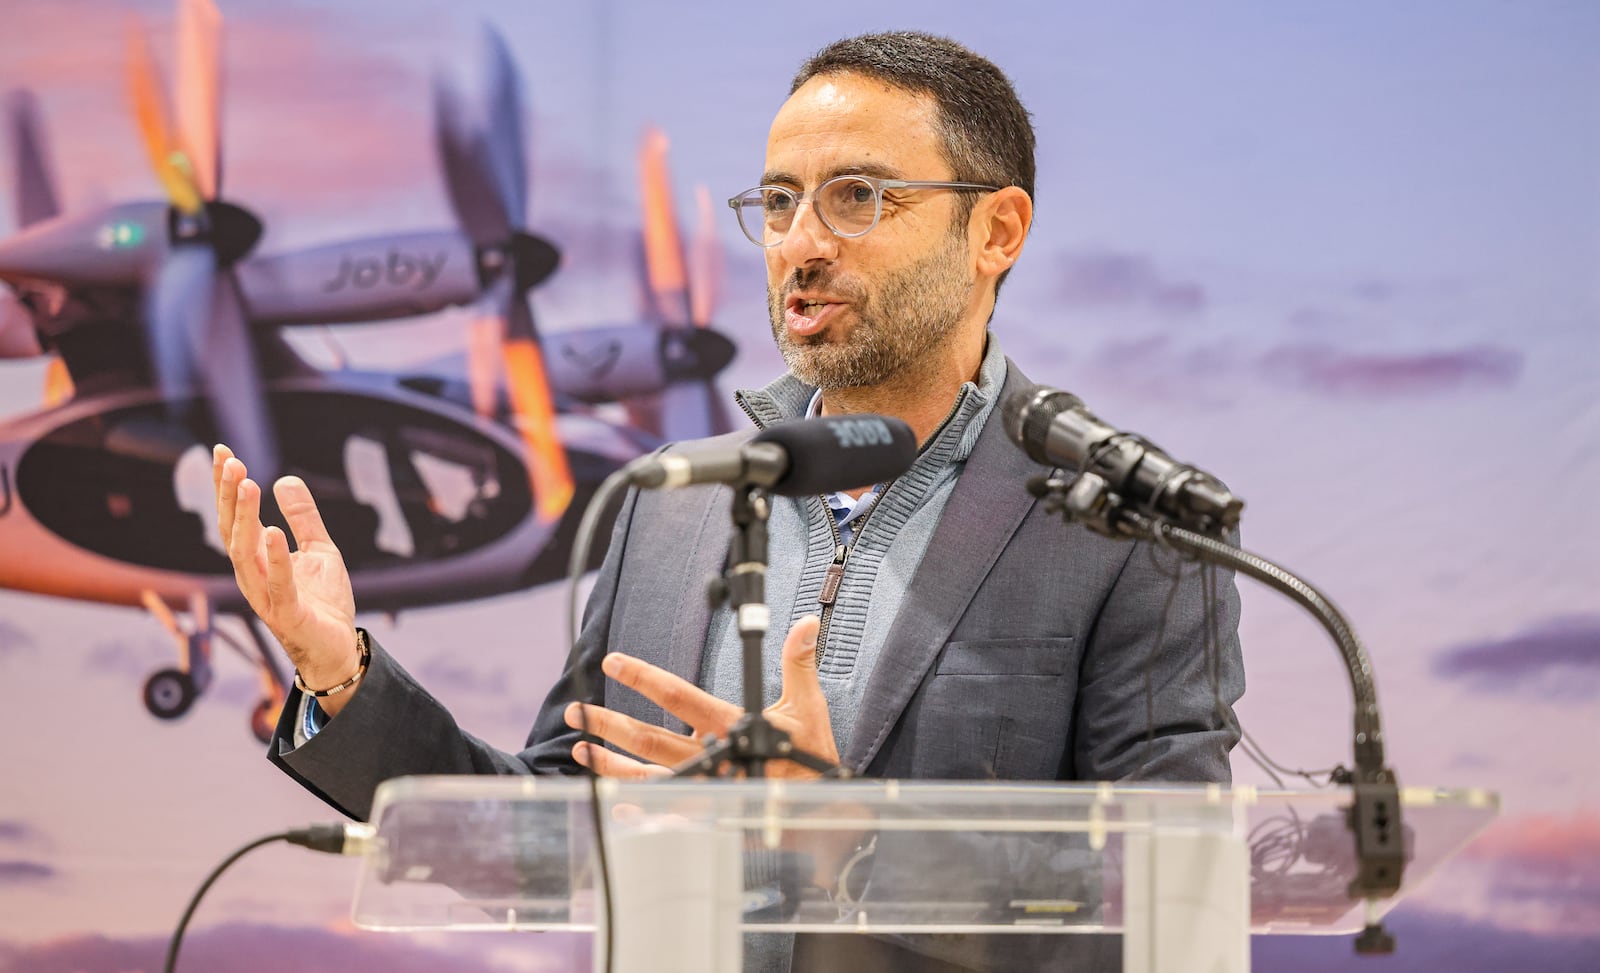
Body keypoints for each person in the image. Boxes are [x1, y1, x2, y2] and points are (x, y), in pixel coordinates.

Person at [214, 31, 1244, 971]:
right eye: (780, 201)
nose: (801, 243)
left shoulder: (1128, 530)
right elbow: (545, 843)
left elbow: (1168, 895)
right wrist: (339, 673)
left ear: (996, 230)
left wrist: (856, 840)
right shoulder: (675, 503)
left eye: (858, 197)